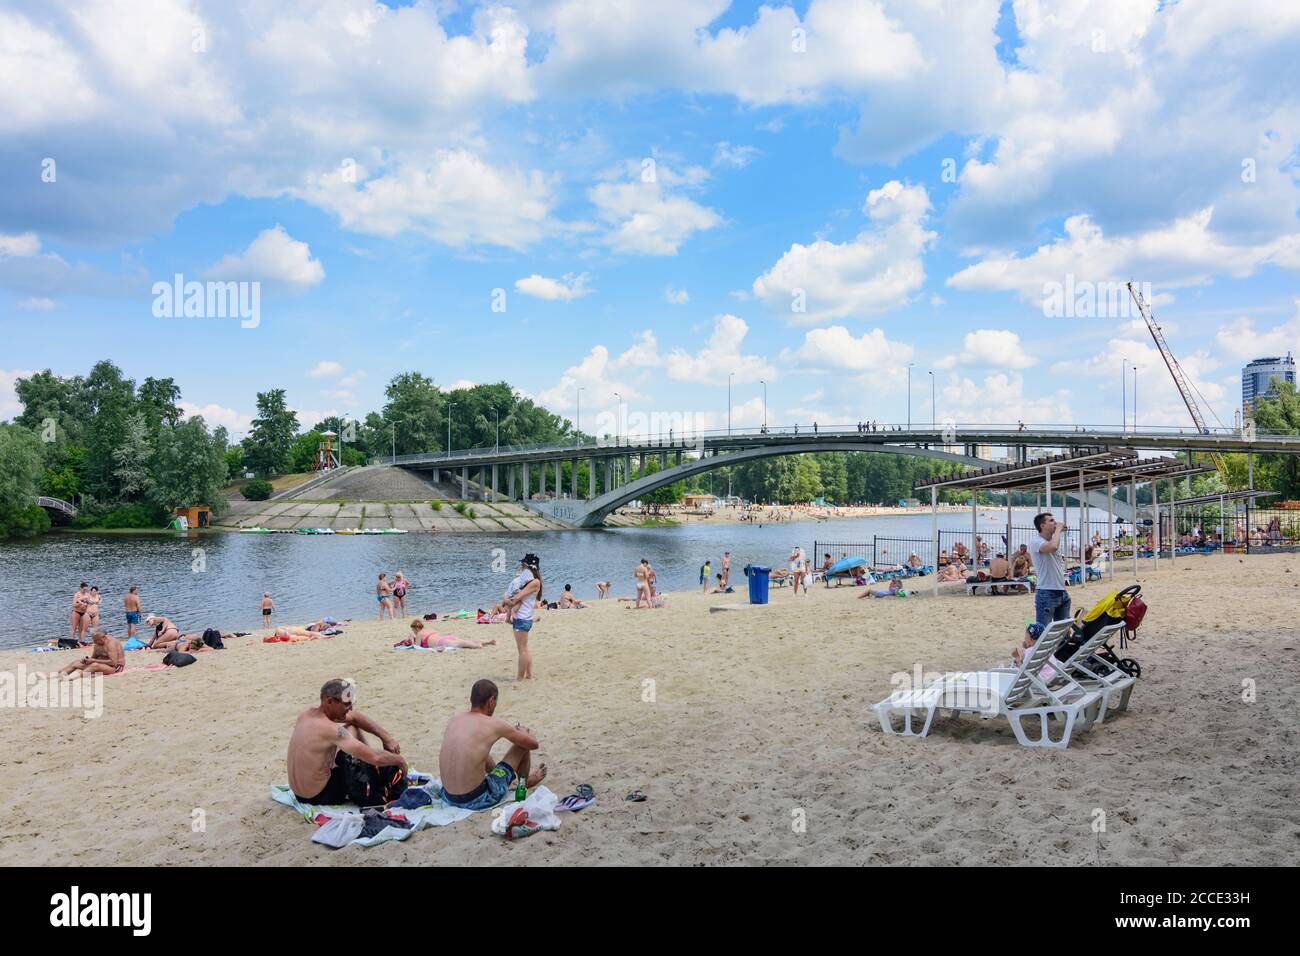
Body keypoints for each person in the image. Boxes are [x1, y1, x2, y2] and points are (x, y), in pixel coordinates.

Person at [287, 679, 406, 806]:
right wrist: (399, 760)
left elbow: (354, 717)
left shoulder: (306, 714)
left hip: (299, 793)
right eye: (346, 704)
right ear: (330, 701)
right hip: (320, 796)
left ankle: (369, 767)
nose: (350, 708)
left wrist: (386, 738)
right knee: (353, 744)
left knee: (351, 727)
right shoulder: (332, 730)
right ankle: (370, 772)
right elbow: (375, 757)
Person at [437, 679, 547, 812]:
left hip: (448, 797)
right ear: (491, 701)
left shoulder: (455, 719)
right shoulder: (494, 724)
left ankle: (505, 780)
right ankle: (523, 784)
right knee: (522, 745)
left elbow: (476, 752)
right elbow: (533, 744)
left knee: (478, 750)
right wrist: (524, 731)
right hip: (476, 799)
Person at [1028, 512, 1070, 629]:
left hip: (1061, 591)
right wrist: (1058, 530)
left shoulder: (1051, 541)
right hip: (1046, 593)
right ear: (1042, 526)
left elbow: (1054, 545)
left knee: (1062, 633)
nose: (1055, 523)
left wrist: (1058, 531)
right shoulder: (1036, 542)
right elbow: (1052, 547)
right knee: (1042, 631)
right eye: (1051, 521)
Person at [502, 554, 541, 681]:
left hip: (522, 618)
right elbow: (516, 598)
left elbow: (515, 599)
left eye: (524, 566)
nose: (522, 569)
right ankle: (529, 675)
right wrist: (509, 599)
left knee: (522, 650)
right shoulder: (532, 582)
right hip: (526, 617)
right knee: (525, 649)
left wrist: (506, 600)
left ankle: (519, 678)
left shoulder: (534, 582)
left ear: (529, 568)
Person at [60, 630, 124, 677]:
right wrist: (87, 660)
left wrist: (94, 660)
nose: (95, 642)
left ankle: (71, 677)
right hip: (101, 665)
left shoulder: (111, 644)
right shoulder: (97, 644)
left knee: (95, 665)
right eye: (94, 641)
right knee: (76, 662)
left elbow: (114, 662)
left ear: (103, 637)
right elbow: (94, 657)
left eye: (96, 640)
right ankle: (60, 674)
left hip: (114, 668)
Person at [397, 619, 495, 650]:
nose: (414, 632)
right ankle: (487, 642)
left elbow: (417, 647)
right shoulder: (429, 629)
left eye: (413, 630)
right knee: (463, 641)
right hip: (445, 637)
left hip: (441, 642)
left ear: (416, 628)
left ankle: (478, 645)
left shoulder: (419, 634)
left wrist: (412, 638)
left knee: (462, 644)